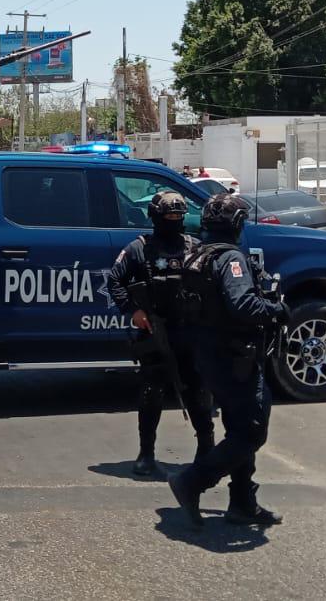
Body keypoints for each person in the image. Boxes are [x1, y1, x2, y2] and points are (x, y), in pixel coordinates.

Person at [167, 191, 289, 530]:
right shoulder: (230, 259)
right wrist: (277, 310)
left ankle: (242, 503)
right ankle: (192, 482)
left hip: (213, 356)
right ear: (235, 225)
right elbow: (244, 306)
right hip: (235, 357)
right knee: (250, 433)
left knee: (238, 429)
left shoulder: (200, 253)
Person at [108, 191, 214, 478]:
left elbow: (211, 283)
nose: (174, 222)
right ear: (155, 217)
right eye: (169, 217)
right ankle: (146, 454)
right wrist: (133, 310)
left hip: (190, 332)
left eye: (178, 217)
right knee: (151, 393)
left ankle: (207, 450)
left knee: (198, 392)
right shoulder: (138, 249)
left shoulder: (195, 247)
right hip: (155, 330)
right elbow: (115, 280)